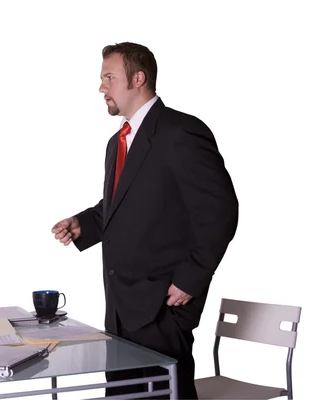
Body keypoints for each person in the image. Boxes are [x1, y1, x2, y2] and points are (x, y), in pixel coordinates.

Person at [51, 42, 238, 399]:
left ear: (139, 78)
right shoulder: (116, 142)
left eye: (109, 77)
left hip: (164, 303)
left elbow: (220, 210)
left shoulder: (181, 132)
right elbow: (119, 206)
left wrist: (191, 278)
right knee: (125, 395)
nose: (101, 87)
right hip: (122, 306)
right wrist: (83, 224)